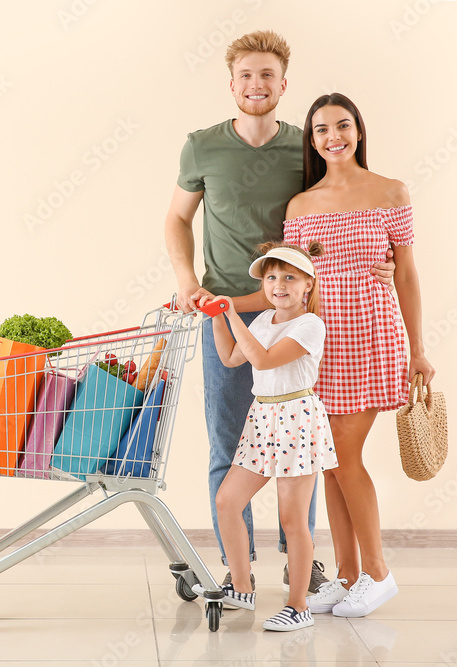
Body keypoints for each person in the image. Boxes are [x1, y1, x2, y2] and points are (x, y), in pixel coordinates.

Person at [164, 30, 394, 591]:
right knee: (227, 442)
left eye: (267, 74)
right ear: (232, 83)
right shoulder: (201, 146)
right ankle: (235, 567)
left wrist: (376, 263)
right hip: (228, 313)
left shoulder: (304, 147)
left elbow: (332, 214)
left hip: (297, 318)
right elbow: (175, 219)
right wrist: (188, 282)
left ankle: (303, 561)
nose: (256, 84)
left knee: (300, 445)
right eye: (246, 74)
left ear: (283, 83)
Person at [283, 92, 435, 618]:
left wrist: (418, 348)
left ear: (359, 130)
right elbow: (294, 282)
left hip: (371, 336)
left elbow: (408, 274)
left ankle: (378, 572)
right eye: (321, 130)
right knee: (328, 464)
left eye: (342, 126)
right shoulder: (301, 206)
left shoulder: (390, 191)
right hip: (321, 343)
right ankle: (347, 576)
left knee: (345, 457)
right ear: (312, 140)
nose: (333, 137)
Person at [194, 241, 338, 632]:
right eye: (272, 277)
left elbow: (262, 359)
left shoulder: (310, 324)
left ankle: (298, 606)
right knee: (228, 500)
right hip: (263, 418)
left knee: (293, 521)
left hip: (295, 418)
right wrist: (213, 318)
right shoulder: (262, 321)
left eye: (289, 277)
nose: (279, 284)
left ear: (308, 284)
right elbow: (230, 357)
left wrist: (231, 312)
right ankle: (241, 587)